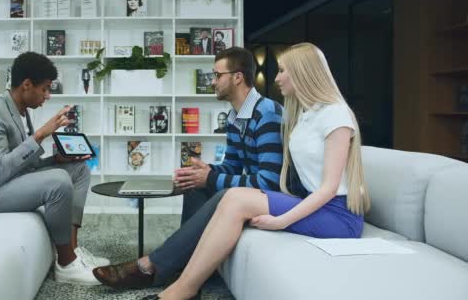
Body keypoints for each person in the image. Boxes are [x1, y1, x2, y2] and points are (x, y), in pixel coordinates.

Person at [140, 42, 372, 300]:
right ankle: (185, 281)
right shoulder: (306, 116)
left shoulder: (335, 114)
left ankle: (181, 289)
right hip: (314, 204)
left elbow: (329, 188)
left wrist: (282, 220)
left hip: (339, 216)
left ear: (303, 72)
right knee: (220, 193)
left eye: (283, 70)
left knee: (235, 198)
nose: (276, 77)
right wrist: (209, 172)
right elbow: (242, 163)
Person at [92, 46, 285, 290]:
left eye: (217, 75)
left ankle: (149, 266)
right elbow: (233, 166)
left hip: (276, 196)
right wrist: (204, 171)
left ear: (238, 77)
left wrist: (211, 178)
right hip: (259, 190)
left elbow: (270, 181)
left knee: (216, 188)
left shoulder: (267, 114)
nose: (212, 81)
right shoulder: (235, 116)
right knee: (195, 186)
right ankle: (188, 266)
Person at [0, 52, 108, 285]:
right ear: (26, 85)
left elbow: (24, 167)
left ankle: (72, 251)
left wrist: (56, 161)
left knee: (78, 169)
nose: (48, 96)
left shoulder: (20, 111)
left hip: (5, 184)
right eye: (44, 89)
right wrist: (41, 134)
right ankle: (65, 265)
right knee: (58, 182)